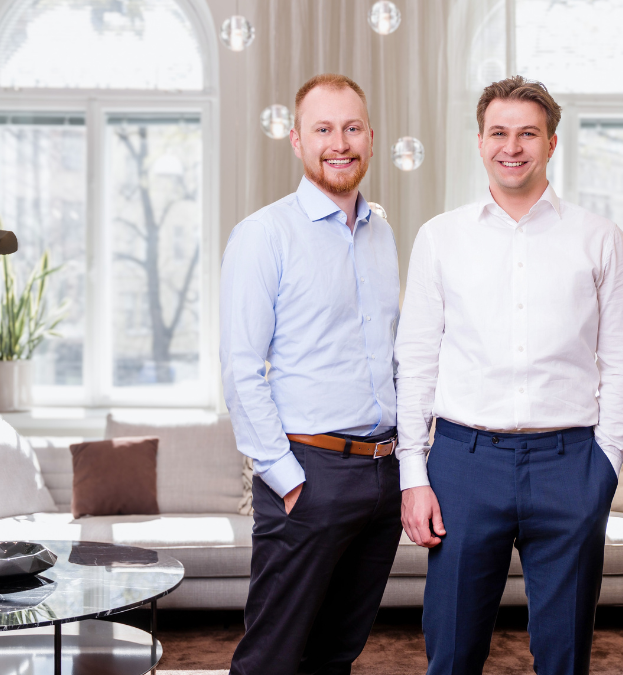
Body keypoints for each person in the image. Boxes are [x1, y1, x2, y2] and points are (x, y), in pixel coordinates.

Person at [395, 75, 623, 675]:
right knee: (452, 651)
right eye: (499, 132)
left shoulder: (601, 238)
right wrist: (413, 472)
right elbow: (416, 359)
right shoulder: (440, 237)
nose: (513, 146)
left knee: (563, 656)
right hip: (462, 460)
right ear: (479, 142)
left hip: (571, 462)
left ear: (552, 143)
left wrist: (606, 461)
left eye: (528, 133)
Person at [220, 74, 401, 675]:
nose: (339, 142)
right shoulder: (264, 235)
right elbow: (242, 370)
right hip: (310, 474)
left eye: (351, 128)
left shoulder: (383, 233)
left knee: (336, 656)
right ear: (298, 141)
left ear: (371, 139)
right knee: (270, 660)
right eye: (323, 129)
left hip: (382, 475)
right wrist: (288, 479)